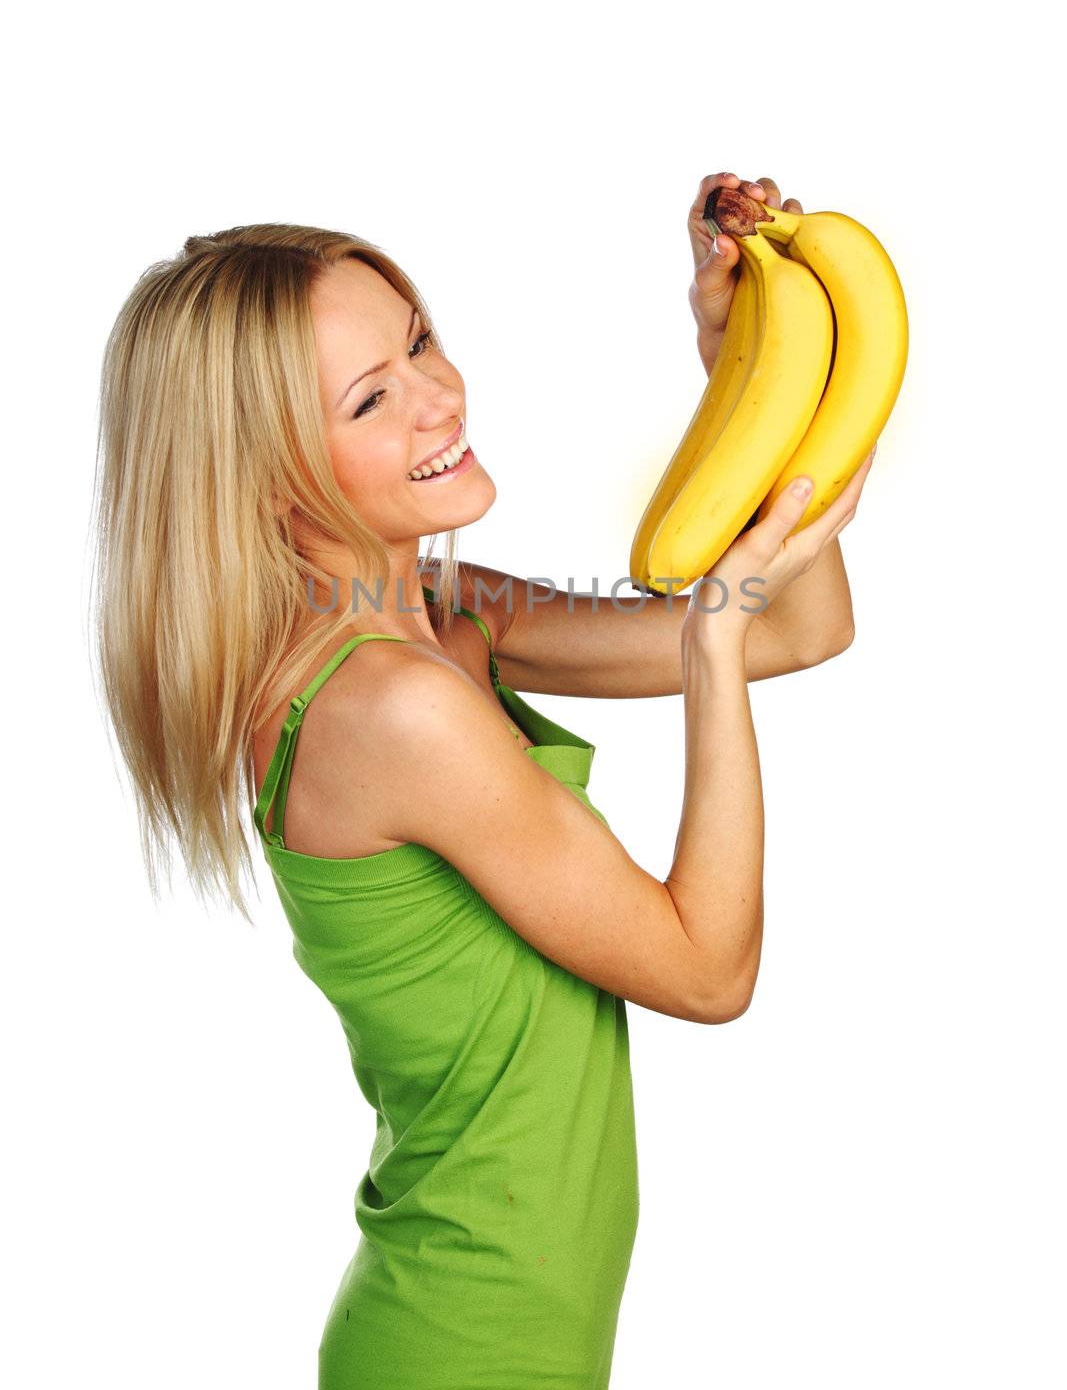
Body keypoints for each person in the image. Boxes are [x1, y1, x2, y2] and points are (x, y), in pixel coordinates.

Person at [90, 171, 873, 1389]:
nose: (438, 396)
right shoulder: (386, 709)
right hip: (463, 1345)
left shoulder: (446, 618)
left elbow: (798, 629)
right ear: (268, 475)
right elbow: (709, 970)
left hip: (498, 1331)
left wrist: (741, 368)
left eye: (418, 341)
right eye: (369, 398)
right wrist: (707, 637)